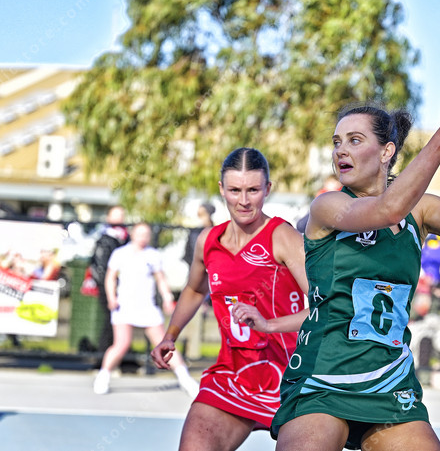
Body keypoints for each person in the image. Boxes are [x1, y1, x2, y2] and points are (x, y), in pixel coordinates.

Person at [233, 76, 440, 451]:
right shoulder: (328, 206)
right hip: (324, 376)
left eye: (354, 140)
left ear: (386, 151)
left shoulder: (421, 210)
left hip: (389, 380)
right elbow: (386, 209)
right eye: (337, 142)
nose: (340, 151)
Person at [150, 148, 308, 451]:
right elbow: (195, 290)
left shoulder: (283, 237)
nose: (244, 200)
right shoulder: (208, 241)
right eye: (235, 190)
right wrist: (170, 335)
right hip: (233, 374)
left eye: (253, 190)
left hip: (289, 376)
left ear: (267, 189)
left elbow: (325, 305)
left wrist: (269, 325)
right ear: (222, 189)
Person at [93, 222, 199, 396]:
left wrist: (167, 298)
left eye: (146, 235)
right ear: (133, 234)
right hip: (124, 306)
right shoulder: (120, 254)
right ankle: (103, 376)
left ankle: (185, 379)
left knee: (164, 344)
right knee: (121, 344)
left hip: (147, 307)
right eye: (140, 234)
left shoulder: (153, 255)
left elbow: (161, 279)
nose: (143, 238)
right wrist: (112, 298)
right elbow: (110, 277)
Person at [88, 205, 128, 352]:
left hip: (122, 286)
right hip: (108, 286)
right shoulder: (105, 239)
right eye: (116, 215)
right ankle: (104, 353)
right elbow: (101, 267)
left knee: (120, 322)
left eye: (121, 215)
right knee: (112, 320)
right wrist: (109, 288)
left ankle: (119, 352)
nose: (120, 219)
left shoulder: (125, 238)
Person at [183, 201, 215, 267]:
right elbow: (188, 254)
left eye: (202, 214)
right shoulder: (194, 233)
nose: (199, 218)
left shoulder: (216, 232)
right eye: (198, 214)